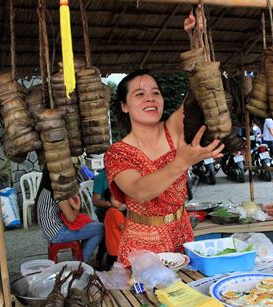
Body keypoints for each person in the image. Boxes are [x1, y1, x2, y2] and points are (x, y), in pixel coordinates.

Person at [104, 70, 224, 266]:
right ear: (124, 106)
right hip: (141, 244)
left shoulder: (173, 129)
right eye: (140, 94)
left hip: (181, 231)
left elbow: (198, 94)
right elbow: (140, 190)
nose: (150, 99)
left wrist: (207, 69)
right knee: (145, 296)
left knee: (186, 292)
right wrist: (182, 162)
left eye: (155, 93)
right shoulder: (117, 153)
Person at [36, 168, 104, 262]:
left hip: (49, 232)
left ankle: (80, 255)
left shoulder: (46, 188)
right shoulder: (57, 192)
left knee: (93, 226)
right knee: (101, 228)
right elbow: (71, 218)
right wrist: (77, 207)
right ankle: (81, 260)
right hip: (57, 233)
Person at [104, 190, 126, 267]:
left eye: (119, 198)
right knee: (120, 268)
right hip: (118, 248)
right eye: (115, 199)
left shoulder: (109, 211)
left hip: (111, 247)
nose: (119, 201)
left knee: (112, 266)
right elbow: (124, 230)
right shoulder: (116, 213)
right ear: (109, 203)